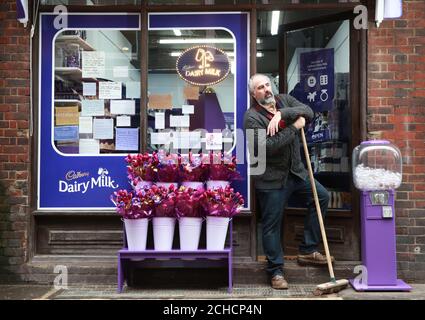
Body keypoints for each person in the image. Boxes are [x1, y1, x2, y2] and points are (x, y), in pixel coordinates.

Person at [243, 74, 333, 290]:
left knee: (322, 196)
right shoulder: (251, 117)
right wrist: (294, 126)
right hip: (271, 179)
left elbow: (309, 112)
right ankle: (275, 271)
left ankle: (307, 249)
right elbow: (267, 147)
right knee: (271, 225)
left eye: (267, 85)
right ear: (253, 94)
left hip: (296, 173)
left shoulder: (284, 100)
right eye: (260, 87)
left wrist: (283, 114)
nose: (266, 89)